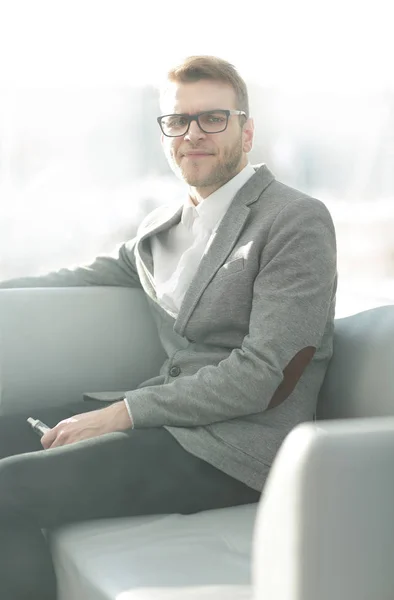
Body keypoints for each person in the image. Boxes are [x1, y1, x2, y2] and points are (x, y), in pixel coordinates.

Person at [0, 55, 337, 599]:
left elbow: (268, 373)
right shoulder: (162, 226)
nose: (193, 134)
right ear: (165, 135)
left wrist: (122, 413)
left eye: (213, 118)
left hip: (234, 451)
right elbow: (85, 277)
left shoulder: (294, 219)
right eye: (178, 120)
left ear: (246, 131)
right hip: (166, 421)